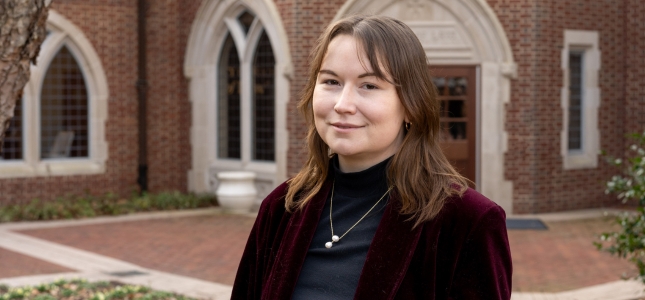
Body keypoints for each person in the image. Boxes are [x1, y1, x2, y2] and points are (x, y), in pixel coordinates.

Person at [231, 14, 512, 299]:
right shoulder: (281, 208)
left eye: (369, 86)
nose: (343, 104)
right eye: (331, 81)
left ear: (411, 106)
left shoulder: (468, 222)